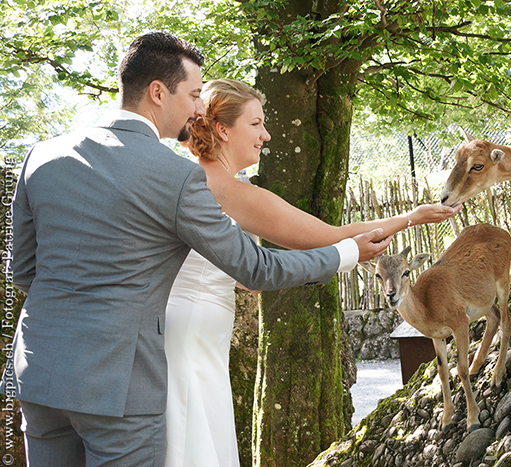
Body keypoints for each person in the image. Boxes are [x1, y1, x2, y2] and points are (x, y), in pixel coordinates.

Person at [4, 32, 393, 466]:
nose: (197, 108)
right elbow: (256, 269)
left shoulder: (41, 156)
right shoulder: (175, 175)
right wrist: (347, 253)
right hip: (119, 379)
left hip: (38, 370)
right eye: (192, 94)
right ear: (157, 92)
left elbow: (23, 270)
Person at [164, 78, 460, 467]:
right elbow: (327, 237)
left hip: (189, 332)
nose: (265, 135)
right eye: (256, 124)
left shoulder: (196, 181)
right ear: (222, 129)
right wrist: (409, 218)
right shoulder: (226, 190)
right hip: (194, 340)